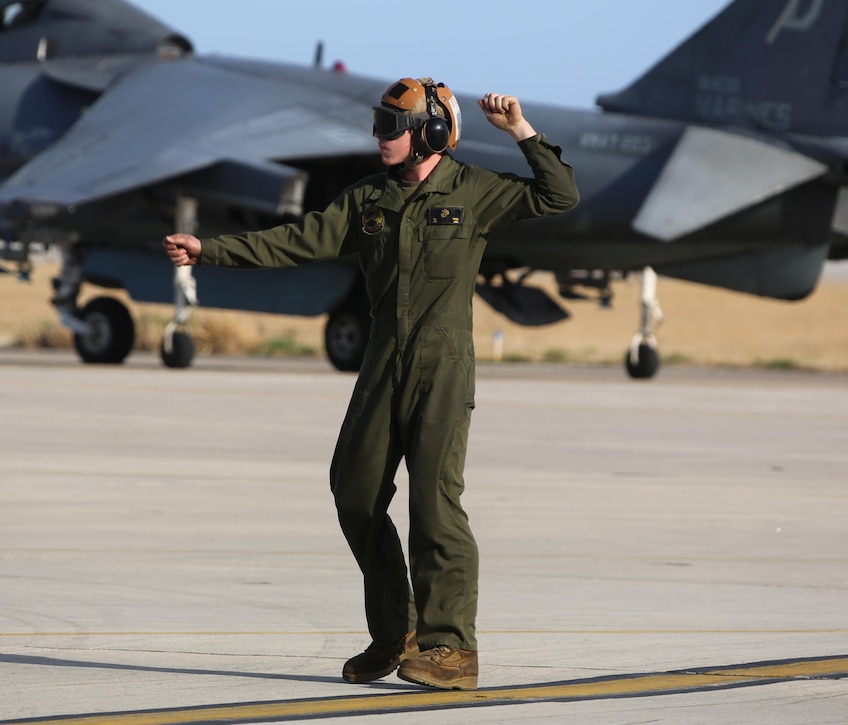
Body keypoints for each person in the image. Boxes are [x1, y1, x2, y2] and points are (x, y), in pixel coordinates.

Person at [163, 77, 579, 690]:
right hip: (385, 359)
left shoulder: (474, 191)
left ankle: (452, 649)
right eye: (379, 125)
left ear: (431, 134)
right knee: (354, 492)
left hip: (442, 365)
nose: (378, 137)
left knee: (434, 506)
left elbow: (559, 195)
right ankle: (397, 634)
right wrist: (210, 251)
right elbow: (294, 240)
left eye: (391, 128)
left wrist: (520, 130)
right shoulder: (368, 200)